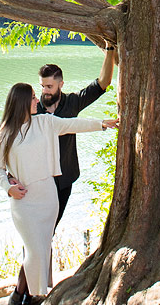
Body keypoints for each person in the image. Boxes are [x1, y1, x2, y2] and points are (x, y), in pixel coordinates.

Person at [0, 82, 117, 305]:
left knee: (40, 248)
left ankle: (28, 300)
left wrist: (103, 123)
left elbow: (72, 124)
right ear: (20, 103)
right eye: (32, 98)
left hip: (47, 197)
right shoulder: (4, 135)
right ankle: (17, 301)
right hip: (23, 200)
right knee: (35, 251)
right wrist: (9, 187)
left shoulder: (45, 123)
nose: (37, 101)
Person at [37, 45, 117, 226]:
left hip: (64, 179)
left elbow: (102, 84)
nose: (45, 91)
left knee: (51, 228)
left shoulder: (72, 102)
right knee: (37, 229)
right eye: (42, 86)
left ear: (61, 84)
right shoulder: (33, 108)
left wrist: (110, 49)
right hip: (39, 181)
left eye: (49, 86)